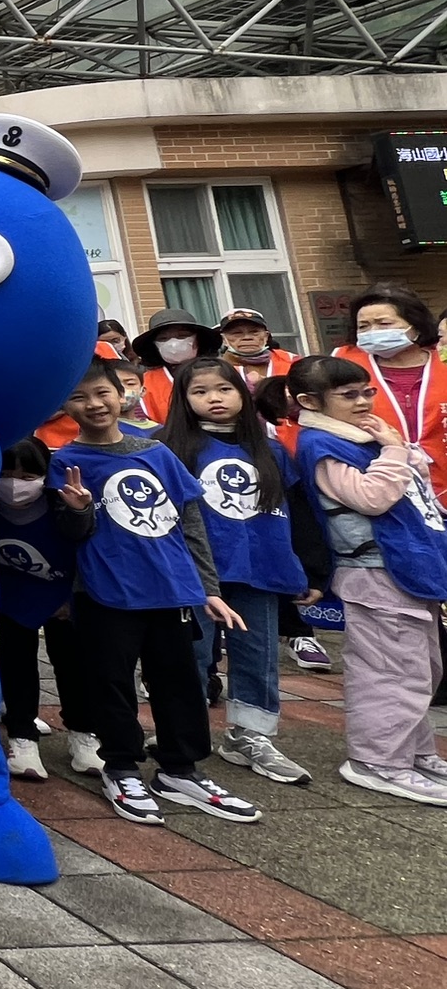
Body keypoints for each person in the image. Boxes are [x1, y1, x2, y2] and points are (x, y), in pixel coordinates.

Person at [51, 358, 261, 827]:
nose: (94, 404)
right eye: (79, 397)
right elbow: (68, 535)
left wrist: (207, 588)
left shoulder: (156, 452)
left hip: (169, 590)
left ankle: (180, 768)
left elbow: (190, 524)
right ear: (64, 405)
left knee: (180, 679)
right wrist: (80, 510)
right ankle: (121, 767)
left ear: (120, 393)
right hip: (106, 592)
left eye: (102, 393)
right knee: (111, 682)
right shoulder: (66, 461)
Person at [290, 354, 447, 802]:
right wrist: (396, 452)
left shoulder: (362, 437)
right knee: (390, 673)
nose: (362, 402)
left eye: (366, 392)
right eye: (348, 395)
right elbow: (372, 497)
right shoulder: (323, 444)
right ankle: (377, 761)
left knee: (419, 670)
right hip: (375, 573)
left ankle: (414, 753)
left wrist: (397, 451)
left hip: (401, 571)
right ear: (310, 401)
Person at [161, 357, 315, 786]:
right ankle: (182, 732)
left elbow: (302, 512)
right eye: (201, 391)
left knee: (257, 653)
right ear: (184, 399)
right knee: (189, 653)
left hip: (260, 567)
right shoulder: (168, 448)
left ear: (242, 396)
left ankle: (252, 736)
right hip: (194, 572)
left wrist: (314, 570)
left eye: (224, 389)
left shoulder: (270, 450)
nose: (214, 398)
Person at [0, 438, 98, 779]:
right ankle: (22, 738)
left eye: (28, 475)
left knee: (73, 665)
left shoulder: (59, 503)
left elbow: (84, 541)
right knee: (16, 663)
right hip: (12, 596)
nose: (16, 485)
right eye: (7, 474)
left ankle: (83, 735)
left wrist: (80, 510)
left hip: (62, 595)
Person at [336, 284, 447, 507]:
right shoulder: (342, 363)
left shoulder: (444, 357)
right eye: (363, 326)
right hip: (384, 484)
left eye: (384, 324)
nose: (373, 332)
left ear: (415, 326)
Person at [129, 309, 219, 424]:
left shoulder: (223, 373)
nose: (174, 343)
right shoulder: (143, 383)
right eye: (163, 339)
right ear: (154, 346)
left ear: (198, 340)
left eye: (182, 336)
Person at [218, 308, 294, 391]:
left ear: (266, 336)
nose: (247, 338)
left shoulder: (291, 360)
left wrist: (264, 383)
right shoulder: (215, 368)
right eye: (237, 333)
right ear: (224, 339)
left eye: (254, 332)